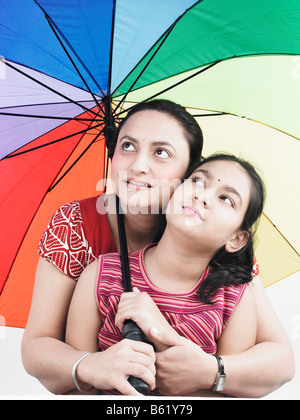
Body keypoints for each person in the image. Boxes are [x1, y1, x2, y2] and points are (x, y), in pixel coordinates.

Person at [21, 100, 295, 397]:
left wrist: (209, 370)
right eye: (127, 146)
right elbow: (39, 347)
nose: (138, 165)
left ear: (189, 171)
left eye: (161, 152)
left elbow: (279, 362)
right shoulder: (81, 236)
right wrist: (93, 365)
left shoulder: (213, 235)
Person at [65, 154, 265, 396]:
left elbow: (230, 394)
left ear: (236, 239)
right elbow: (76, 389)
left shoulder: (235, 299)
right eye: (198, 181)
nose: (202, 195)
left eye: (225, 198)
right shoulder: (101, 275)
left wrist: (161, 333)